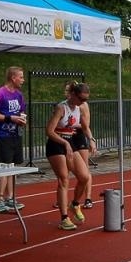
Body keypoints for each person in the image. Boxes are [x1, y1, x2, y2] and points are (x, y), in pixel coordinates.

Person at [45, 82, 94, 231]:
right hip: (56, 143)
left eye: (85, 100)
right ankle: (64, 218)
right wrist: (64, 144)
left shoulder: (78, 108)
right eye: (81, 98)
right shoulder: (61, 108)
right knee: (64, 179)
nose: (83, 102)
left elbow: (84, 126)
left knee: (84, 177)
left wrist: (91, 139)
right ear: (72, 95)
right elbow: (49, 131)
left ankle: (74, 203)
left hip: (69, 142)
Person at [0, 65, 28, 213]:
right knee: (4, 167)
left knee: (12, 168)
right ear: (13, 77)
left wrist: (22, 119)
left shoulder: (19, 95)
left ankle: (10, 198)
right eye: (21, 77)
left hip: (16, 135)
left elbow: (22, 111)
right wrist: (10, 118)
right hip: (3, 136)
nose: (23, 80)